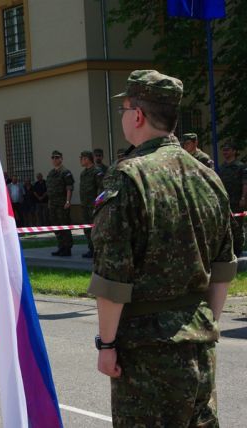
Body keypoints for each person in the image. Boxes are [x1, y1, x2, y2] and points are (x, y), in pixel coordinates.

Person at [88, 70, 236, 427]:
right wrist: (205, 326)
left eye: (124, 109)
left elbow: (112, 277)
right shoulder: (208, 176)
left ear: (137, 115)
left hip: (148, 353)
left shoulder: (128, 177)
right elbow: (223, 269)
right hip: (200, 344)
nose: (123, 116)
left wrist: (107, 345)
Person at [218, 141, 247, 257]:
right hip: (226, 202)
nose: (225, 152)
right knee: (226, 228)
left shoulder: (240, 167)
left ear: (234, 151)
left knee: (237, 228)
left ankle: (238, 252)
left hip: (237, 202)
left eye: (227, 150)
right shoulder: (222, 167)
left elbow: (245, 183)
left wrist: (243, 198)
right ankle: (229, 252)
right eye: (224, 150)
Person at [46, 150, 74, 256]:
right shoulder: (51, 173)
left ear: (61, 159)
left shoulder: (65, 172)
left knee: (64, 225)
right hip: (53, 204)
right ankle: (61, 246)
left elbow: (69, 188)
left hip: (62, 204)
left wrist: (68, 201)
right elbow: (49, 189)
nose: (55, 159)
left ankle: (67, 248)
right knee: (56, 226)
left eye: (57, 157)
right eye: (53, 157)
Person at [78, 151, 103, 258]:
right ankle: (91, 249)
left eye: (82, 158)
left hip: (94, 206)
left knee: (95, 228)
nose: (80, 160)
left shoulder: (97, 172)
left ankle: (98, 250)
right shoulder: (83, 173)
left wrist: (97, 204)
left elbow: (101, 190)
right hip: (85, 205)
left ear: (87, 159)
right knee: (87, 228)